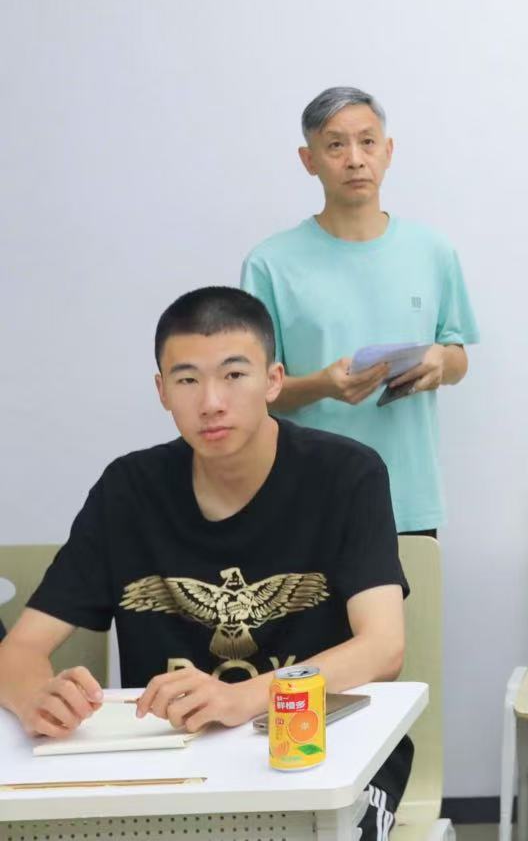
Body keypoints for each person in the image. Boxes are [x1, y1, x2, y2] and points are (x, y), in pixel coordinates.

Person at [0, 287, 410, 838]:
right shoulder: (129, 490)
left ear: (273, 380)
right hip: (174, 770)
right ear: (162, 391)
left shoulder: (346, 475)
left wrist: (242, 698)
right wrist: (34, 699)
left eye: (234, 375)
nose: (212, 401)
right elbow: (19, 649)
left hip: (328, 754)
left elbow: (383, 648)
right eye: (187, 380)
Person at [241, 86, 478, 536]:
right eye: (335, 145)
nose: (355, 159)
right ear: (308, 160)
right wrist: (322, 385)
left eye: (368, 142)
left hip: (407, 500)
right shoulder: (269, 264)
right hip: (306, 498)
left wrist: (440, 362)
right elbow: (252, 389)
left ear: (388, 151)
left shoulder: (433, 252)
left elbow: (459, 358)